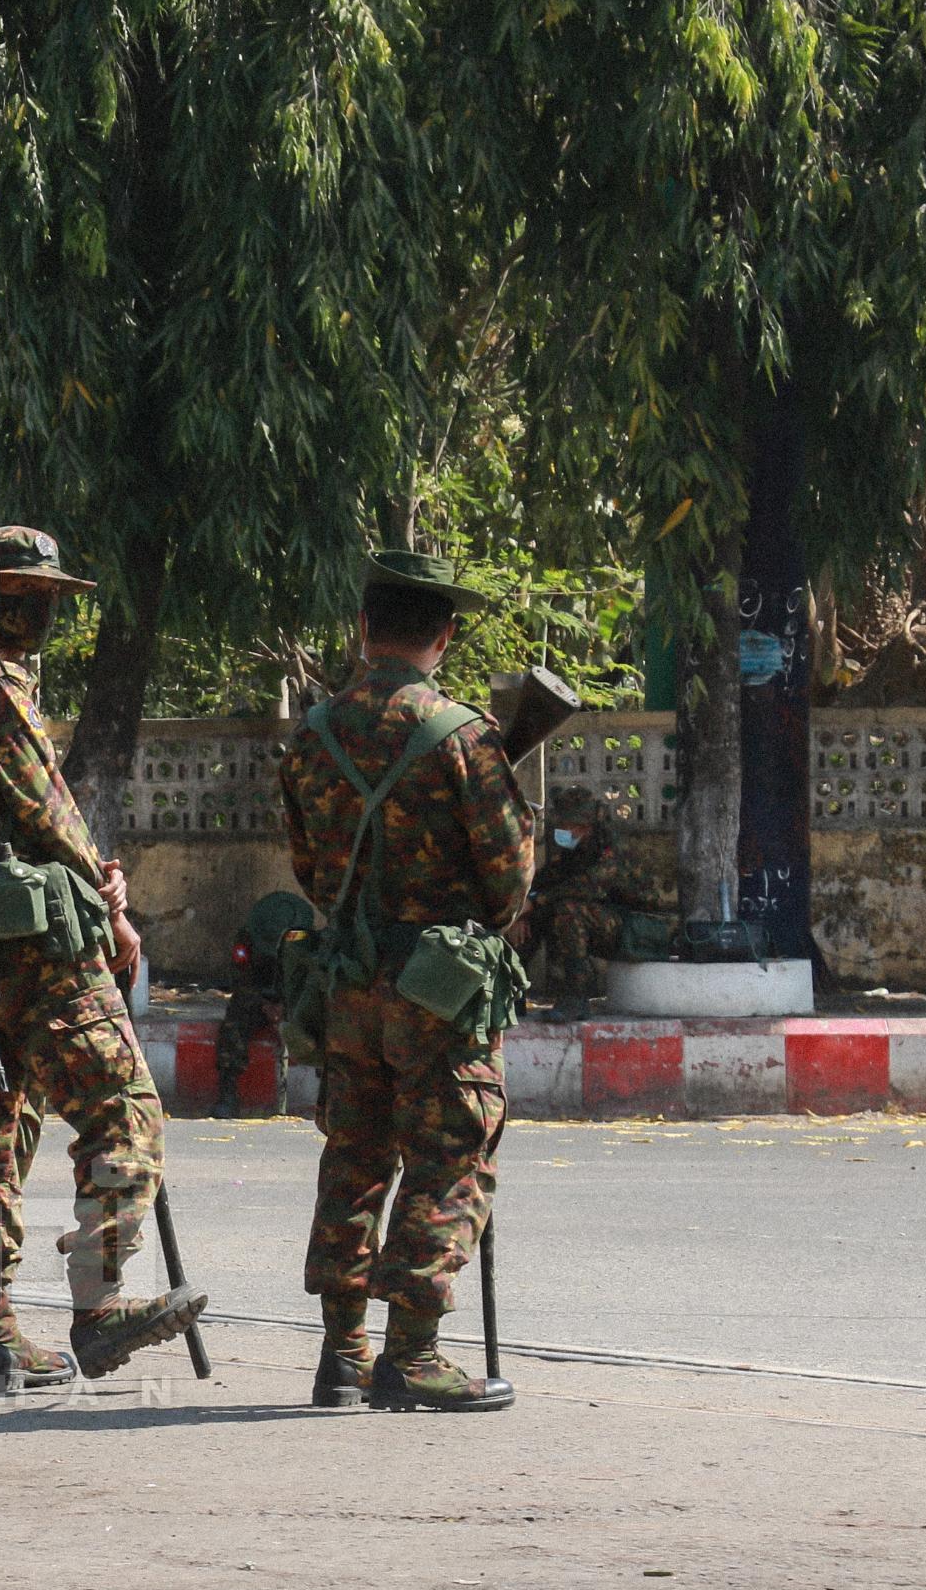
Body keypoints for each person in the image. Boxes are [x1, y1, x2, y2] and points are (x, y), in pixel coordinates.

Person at [0, 526, 204, 1394]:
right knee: (127, 1115)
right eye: (21, 593)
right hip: (36, 940)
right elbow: (47, 811)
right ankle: (97, 1302)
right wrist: (107, 892)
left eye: (47, 596)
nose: (37, 609)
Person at [278, 549, 530, 1414]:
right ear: (445, 635)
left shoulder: (311, 733)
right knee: (449, 1155)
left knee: (353, 1157)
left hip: (347, 981)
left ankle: (342, 1354)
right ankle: (413, 1350)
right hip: (437, 991)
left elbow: (312, 871)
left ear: (363, 629)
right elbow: (508, 884)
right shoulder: (464, 735)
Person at [516, 786, 650, 1022]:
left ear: (585, 826)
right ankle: (511, 990)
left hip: (634, 927)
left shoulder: (612, 848)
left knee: (568, 909)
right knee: (537, 912)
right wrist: (522, 911)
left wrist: (535, 902)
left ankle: (577, 997)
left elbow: (585, 885)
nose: (563, 830)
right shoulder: (576, 850)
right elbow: (548, 880)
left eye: (569, 826)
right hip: (602, 921)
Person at [210, 889, 315, 1116]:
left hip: (296, 1001)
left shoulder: (307, 941)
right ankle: (227, 1095)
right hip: (257, 999)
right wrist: (264, 1004)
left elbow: (312, 982)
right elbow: (240, 980)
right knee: (233, 1027)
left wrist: (286, 1006)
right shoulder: (247, 940)